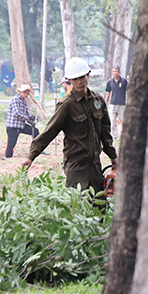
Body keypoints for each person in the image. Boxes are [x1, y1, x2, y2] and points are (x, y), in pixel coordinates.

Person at [21, 56, 117, 196]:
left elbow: (105, 132)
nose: (79, 82)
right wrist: (31, 156)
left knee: (99, 207)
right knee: (78, 205)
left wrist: (113, 157)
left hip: (95, 164)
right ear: (69, 80)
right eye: (75, 79)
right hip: (76, 165)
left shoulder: (98, 100)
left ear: (87, 75)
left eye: (82, 77)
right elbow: (50, 131)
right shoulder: (66, 104)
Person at [5, 83, 40, 158]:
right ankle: (8, 158)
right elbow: (17, 113)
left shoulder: (24, 101)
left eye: (27, 93)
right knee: (11, 145)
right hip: (13, 126)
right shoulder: (15, 99)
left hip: (21, 125)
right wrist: (27, 118)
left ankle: (37, 149)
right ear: (19, 92)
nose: (26, 95)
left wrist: (30, 118)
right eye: (24, 93)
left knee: (35, 131)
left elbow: (26, 113)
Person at [104, 66, 128, 139]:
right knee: (112, 120)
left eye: (116, 71)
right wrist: (105, 102)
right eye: (113, 71)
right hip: (112, 104)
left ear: (119, 72)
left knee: (123, 119)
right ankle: (113, 136)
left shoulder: (124, 81)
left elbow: (128, 91)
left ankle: (125, 135)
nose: (115, 73)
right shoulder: (110, 82)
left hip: (122, 104)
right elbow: (108, 93)